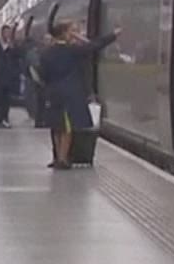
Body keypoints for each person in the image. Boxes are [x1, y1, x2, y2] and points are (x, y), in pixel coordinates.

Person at [36, 20, 118, 169]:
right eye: (71, 31)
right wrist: (113, 35)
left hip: (53, 94)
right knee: (67, 128)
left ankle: (58, 156)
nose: (73, 34)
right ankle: (62, 159)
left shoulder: (46, 53)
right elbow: (93, 46)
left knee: (57, 127)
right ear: (64, 33)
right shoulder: (72, 51)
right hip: (69, 95)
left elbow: (42, 74)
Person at [0, 26, 24, 127]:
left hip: (8, 76)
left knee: (6, 99)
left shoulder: (13, 46)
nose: (7, 35)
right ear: (2, 33)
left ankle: (4, 118)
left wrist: (14, 48)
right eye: (6, 32)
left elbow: (19, 57)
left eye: (9, 33)